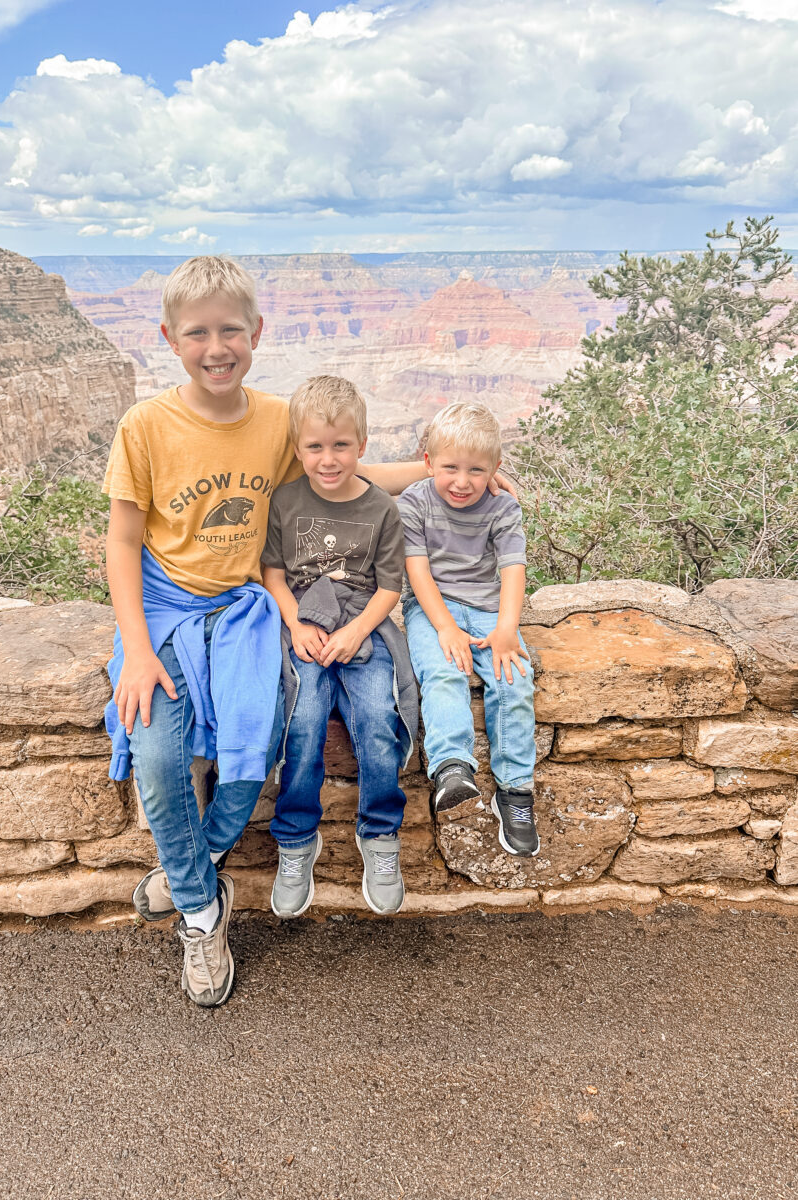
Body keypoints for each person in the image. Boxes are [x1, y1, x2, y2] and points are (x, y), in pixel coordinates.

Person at [102, 257, 518, 1008]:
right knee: (158, 756)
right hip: (165, 611)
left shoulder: (275, 421)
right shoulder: (146, 426)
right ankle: (202, 909)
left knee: (256, 746)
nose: (216, 348)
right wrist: (135, 649)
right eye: (197, 334)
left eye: (231, 330)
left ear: (257, 333)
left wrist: (459, 476)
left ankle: (190, 870)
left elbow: (348, 473)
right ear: (168, 337)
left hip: (246, 611)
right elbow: (122, 541)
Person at [261, 376, 417, 919]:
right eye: (315, 447)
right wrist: (297, 626)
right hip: (304, 622)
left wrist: (356, 633)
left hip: (362, 625)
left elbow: (390, 588)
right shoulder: (286, 501)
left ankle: (380, 833)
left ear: (362, 444)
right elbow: (274, 574)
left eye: (341, 446)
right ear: (297, 448)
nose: (328, 460)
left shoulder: (381, 509)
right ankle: (296, 838)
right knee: (302, 721)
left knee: (377, 717)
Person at [397, 402, 539, 856]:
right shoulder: (414, 502)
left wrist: (507, 629)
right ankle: (452, 767)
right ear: (428, 463)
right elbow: (417, 571)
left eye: (476, 470)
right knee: (443, 672)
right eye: (451, 468)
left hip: (487, 606)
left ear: (495, 468)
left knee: (513, 678)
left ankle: (515, 791)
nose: (462, 482)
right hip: (431, 607)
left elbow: (512, 569)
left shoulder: (502, 507)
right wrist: (445, 628)